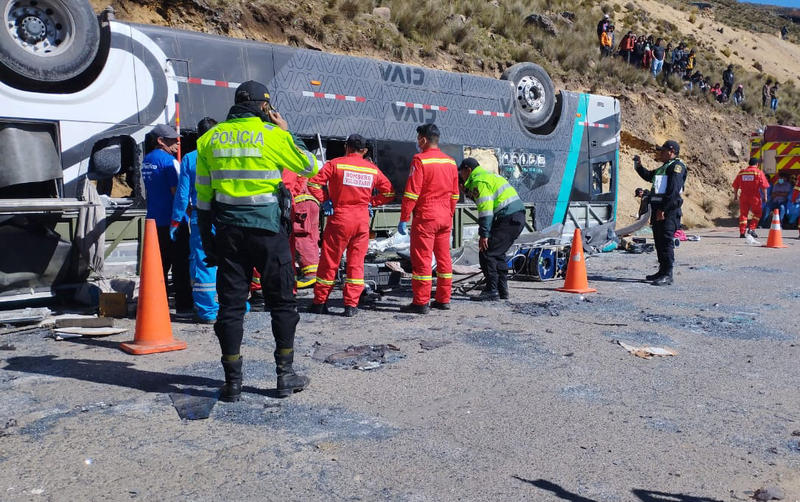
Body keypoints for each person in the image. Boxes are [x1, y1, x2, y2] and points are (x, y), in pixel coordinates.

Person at [195, 80, 320, 402]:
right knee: (282, 303)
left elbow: (204, 198)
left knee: (231, 307)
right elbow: (310, 166)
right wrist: (288, 132)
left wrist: (209, 241)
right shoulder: (272, 135)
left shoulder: (209, 139)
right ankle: (285, 375)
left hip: (228, 234)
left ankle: (232, 383)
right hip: (268, 232)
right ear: (265, 107)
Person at [308, 134, 395, 317]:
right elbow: (389, 193)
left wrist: (325, 201)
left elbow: (313, 183)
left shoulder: (335, 164)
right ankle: (351, 306)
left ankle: (320, 303)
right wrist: (371, 202)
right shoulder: (372, 169)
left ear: (346, 147)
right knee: (356, 264)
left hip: (339, 219)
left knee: (329, 262)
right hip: (361, 221)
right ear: (364, 150)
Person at [396, 123, 459, 314]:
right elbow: (455, 194)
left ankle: (421, 302)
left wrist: (404, 217)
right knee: (444, 259)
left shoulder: (420, 160)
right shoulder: (450, 162)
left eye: (418, 139)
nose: (417, 142)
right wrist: (449, 213)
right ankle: (443, 299)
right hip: (445, 217)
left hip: (426, 217)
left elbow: (412, 193)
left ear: (423, 139)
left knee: (422, 259)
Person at [170, 117, 219, 323]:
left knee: (203, 262)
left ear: (198, 135)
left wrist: (176, 220)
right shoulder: (226, 154)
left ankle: (207, 312)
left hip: (201, 217)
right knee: (231, 261)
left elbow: (182, 195)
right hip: (227, 216)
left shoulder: (190, 158)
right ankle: (237, 306)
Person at [141, 123, 193, 313]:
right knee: (181, 265)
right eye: (173, 140)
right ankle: (184, 305)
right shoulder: (170, 162)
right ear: (161, 141)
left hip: (154, 220)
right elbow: (178, 193)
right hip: (174, 222)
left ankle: (155, 305)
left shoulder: (147, 160)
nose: (177, 143)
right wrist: (190, 213)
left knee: (159, 265)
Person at [458, 158, 525, 301]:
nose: (460, 175)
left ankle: (491, 290)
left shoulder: (479, 181)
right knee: (498, 254)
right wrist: (468, 192)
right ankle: (502, 290)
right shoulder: (488, 176)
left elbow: (486, 211)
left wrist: (484, 234)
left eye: (461, 172)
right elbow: (486, 199)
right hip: (515, 218)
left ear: (468, 170)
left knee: (487, 252)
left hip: (507, 218)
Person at [633, 140, 687, 286]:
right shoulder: (664, 167)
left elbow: (673, 191)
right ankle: (662, 271)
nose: (660, 153)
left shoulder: (676, 167)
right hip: (658, 210)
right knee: (659, 241)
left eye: (663, 151)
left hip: (668, 212)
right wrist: (638, 166)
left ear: (671, 151)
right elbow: (648, 176)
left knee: (666, 242)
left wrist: (664, 209)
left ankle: (668, 274)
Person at [284, 166, 322, 288]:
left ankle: (311, 273)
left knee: (301, 237)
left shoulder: (287, 163)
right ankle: (311, 271)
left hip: (301, 202)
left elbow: (289, 185)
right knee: (311, 236)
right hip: (309, 201)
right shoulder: (300, 160)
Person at [732, 158, 769, 238]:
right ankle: (752, 229)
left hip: (743, 196)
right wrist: (765, 196)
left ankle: (742, 232)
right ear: (757, 164)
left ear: (749, 164)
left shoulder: (742, 173)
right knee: (757, 213)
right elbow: (764, 186)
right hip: (755, 196)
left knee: (743, 214)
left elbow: (735, 185)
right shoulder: (758, 172)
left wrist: (735, 195)